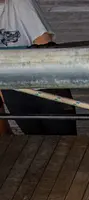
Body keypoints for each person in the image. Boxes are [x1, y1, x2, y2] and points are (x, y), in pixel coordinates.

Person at [0, 0, 76, 135]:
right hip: (12, 90)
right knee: (33, 140)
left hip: (46, 85)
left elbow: (44, 45)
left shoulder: (21, 3)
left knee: (63, 140)